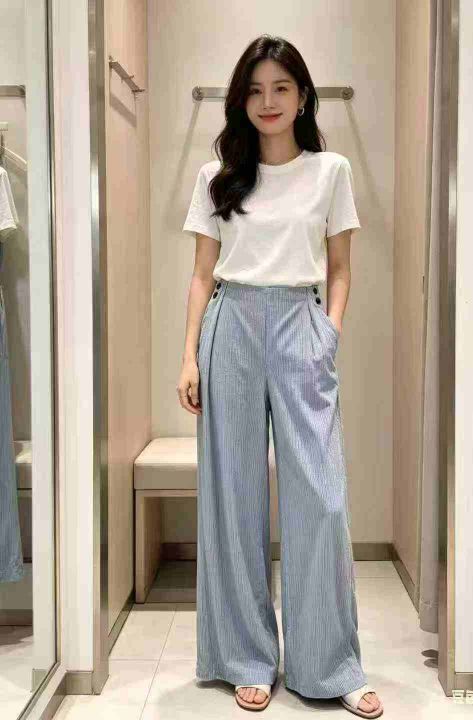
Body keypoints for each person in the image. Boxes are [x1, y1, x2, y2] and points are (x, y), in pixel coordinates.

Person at [177, 34, 383, 718]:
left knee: (320, 499)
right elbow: (201, 275)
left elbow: (342, 267)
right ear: (242, 100)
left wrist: (330, 333)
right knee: (233, 497)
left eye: (281, 88)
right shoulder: (216, 177)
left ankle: (330, 665)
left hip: (301, 322)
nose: (268, 101)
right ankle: (246, 658)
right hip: (230, 323)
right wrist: (188, 356)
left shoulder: (331, 171)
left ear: (302, 97)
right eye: (256, 89)